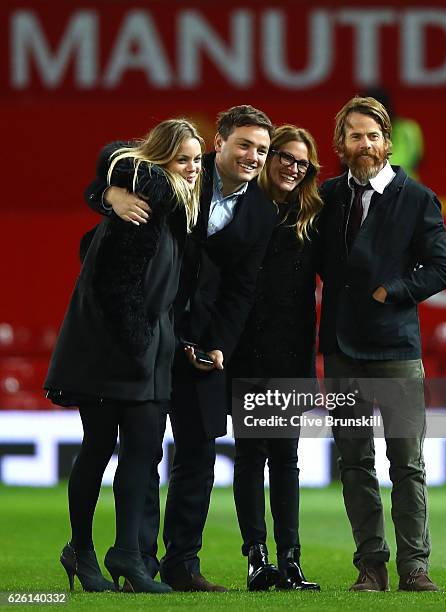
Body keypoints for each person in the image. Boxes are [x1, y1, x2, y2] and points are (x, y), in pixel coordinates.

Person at [84, 105, 278, 591]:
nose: (253, 156)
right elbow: (117, 156)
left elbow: (241, 289)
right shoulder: (182, 170)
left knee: (198, 456)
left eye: (262, 149)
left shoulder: (262, 212)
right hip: (149, 332)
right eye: (245, 146)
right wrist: (108, 193)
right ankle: (138, 560)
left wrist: (218, 347)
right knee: (142, 450)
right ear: (221, 143)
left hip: (202, 344)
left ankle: (182, 566)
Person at [44, 119, 204, 593]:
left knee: (141, 455)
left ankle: (128, 555)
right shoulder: (141, 209)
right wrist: (112, 192)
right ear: (160, 162)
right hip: (110, 352)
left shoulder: (172, 212)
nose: (194, 168)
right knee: (97, 449)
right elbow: (114, 292)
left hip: (150, 354)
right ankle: (81, 549)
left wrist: (169, 345)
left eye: (198, 159)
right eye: (183, 159)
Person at [318, 96, 446, 592]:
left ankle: (414, 568)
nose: (365, 144)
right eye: (355, 135)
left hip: (396, 350)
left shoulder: (417, 197)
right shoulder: (327, 196)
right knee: (354, 462)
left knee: (408, 464)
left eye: (373, 135)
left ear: (387, 142)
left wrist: (391, 290)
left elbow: (442, 268)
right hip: (341, 349)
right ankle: (370, 566)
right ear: (341, 145)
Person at [229, 125, 322, 591]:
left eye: (301, 162)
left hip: (292, 352)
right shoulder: (242, 209)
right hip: (245, 351)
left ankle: (290, 560)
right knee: (250, 455)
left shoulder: (312, 216)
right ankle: (256, 559)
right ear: (268, 160)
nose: (291, 166)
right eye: (284, 156)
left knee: (285, 457)